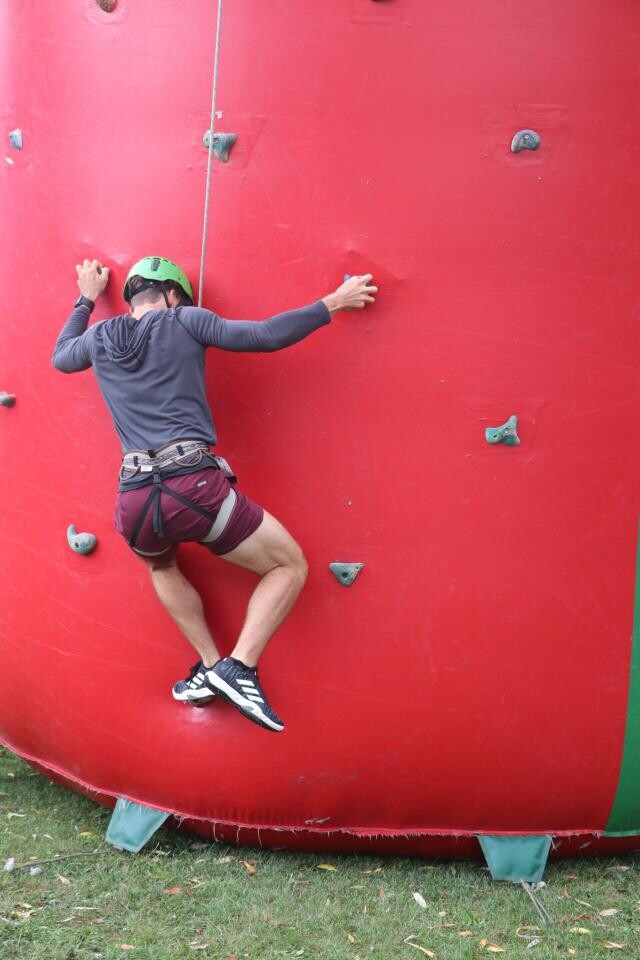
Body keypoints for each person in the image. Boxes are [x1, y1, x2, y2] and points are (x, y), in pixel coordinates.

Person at [52, 256, 377, 733]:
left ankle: (208, 665)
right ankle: (239, 666)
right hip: (191, 485)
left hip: (134, 499)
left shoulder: (98, 337)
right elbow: (265, 335)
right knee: (288, 566)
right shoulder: (185, 319)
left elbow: (61, 356)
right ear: (173, 295)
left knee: (161, 566)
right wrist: (334, 302)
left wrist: (85, 299)